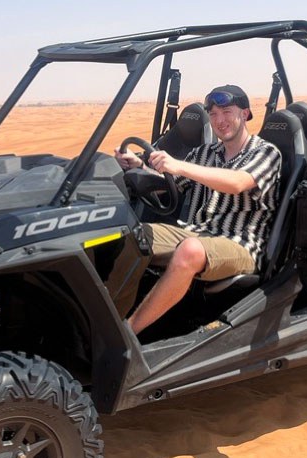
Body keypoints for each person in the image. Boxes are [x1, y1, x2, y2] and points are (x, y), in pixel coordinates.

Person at [115, 84, 281, 335]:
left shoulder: (266, 152)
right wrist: (138, 165)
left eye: (226, 112)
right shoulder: (205, 152)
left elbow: (236, 183)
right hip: (197, 232)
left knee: (189, 251)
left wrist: (179, 166)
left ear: (245, 114)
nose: (220, 120)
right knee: (132, 235)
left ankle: (127, 333)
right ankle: (110, 317)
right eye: (213, 114)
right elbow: (168, 185)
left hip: (241, 245)